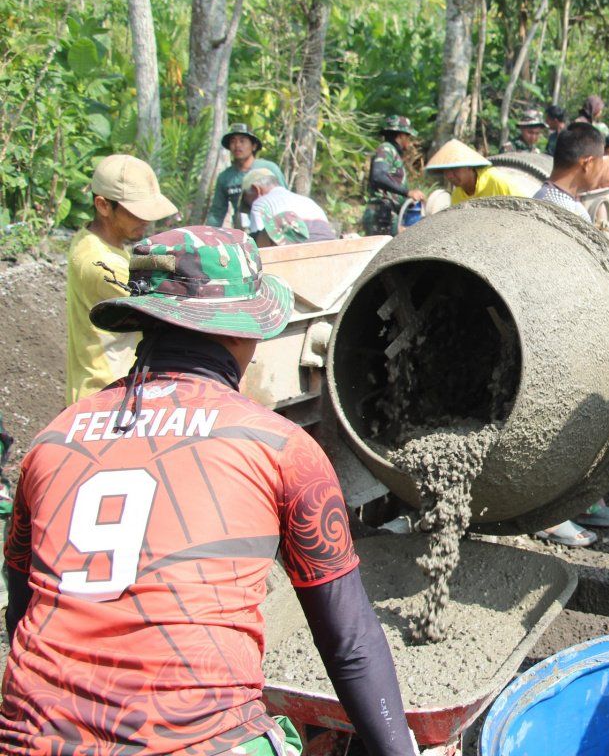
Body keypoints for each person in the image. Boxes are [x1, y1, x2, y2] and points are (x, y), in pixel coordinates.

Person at [2, 227, 419, 755]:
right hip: (198, 740)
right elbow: (350, 644)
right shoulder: (278, 447)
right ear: (244, 330)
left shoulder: (54, 439)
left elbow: (23, 615)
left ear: (144, 324)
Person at [532, 123, 609, 545]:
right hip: (556, 336)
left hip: (572, 330)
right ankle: (550, 514)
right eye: (601, 163)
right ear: (586, 162)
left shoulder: (554, 201)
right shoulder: (558, 211)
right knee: (560, 428)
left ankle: (583, 501)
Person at [66, 155, 178, 405]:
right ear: (103, 205)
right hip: (105, 394)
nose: (147, 221)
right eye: (137, 213)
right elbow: (165, 311)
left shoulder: (99, 242)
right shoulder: (99, 264)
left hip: (114, 388)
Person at [205, 123, 287, 228]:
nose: (237, 145)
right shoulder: (225, 177)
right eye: (233, 141)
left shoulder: (269, 169)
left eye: (242, 141)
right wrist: (209, 234)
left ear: (254, 146)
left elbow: (285, 198)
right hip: (244, 231)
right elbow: (217, 213)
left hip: (273, 228)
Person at [363, 114, 425, 235]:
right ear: (401, 135)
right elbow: (378, 176)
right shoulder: (386, 149)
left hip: (387, 213)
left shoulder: (392, 152)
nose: (409, 141)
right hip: (381, 213)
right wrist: (408, 192)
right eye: (408, 136)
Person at [242, 168, 337, 247]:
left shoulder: (260, 203)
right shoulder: (308, 201)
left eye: (247, 201)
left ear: (256, 189)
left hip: (297, 254)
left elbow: (258, 246)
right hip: (330, 248)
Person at [533, 122, 608, 222]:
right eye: (600, 163)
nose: (601, 171)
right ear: (588, 163)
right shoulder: (573, 214)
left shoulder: (540, 196)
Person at [424, 139, 519, 205]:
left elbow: (526, 207)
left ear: (469, 166)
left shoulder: (497, 181)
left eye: (455, 169)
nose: (450, 175)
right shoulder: (457, 196)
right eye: (446, 171)